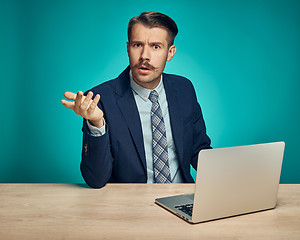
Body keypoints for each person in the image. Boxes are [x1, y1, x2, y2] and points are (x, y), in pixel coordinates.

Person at [61, 12, 211, 188]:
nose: (144, 56)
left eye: (156, 47)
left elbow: (198, 149)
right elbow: (96, 180)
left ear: (170, 53)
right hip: (130, 205)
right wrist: (96, 123)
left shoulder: (184, 89)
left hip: (181, 198)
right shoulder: (99, 100)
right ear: (128, 48)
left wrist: (228, 179)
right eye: (137, 44)